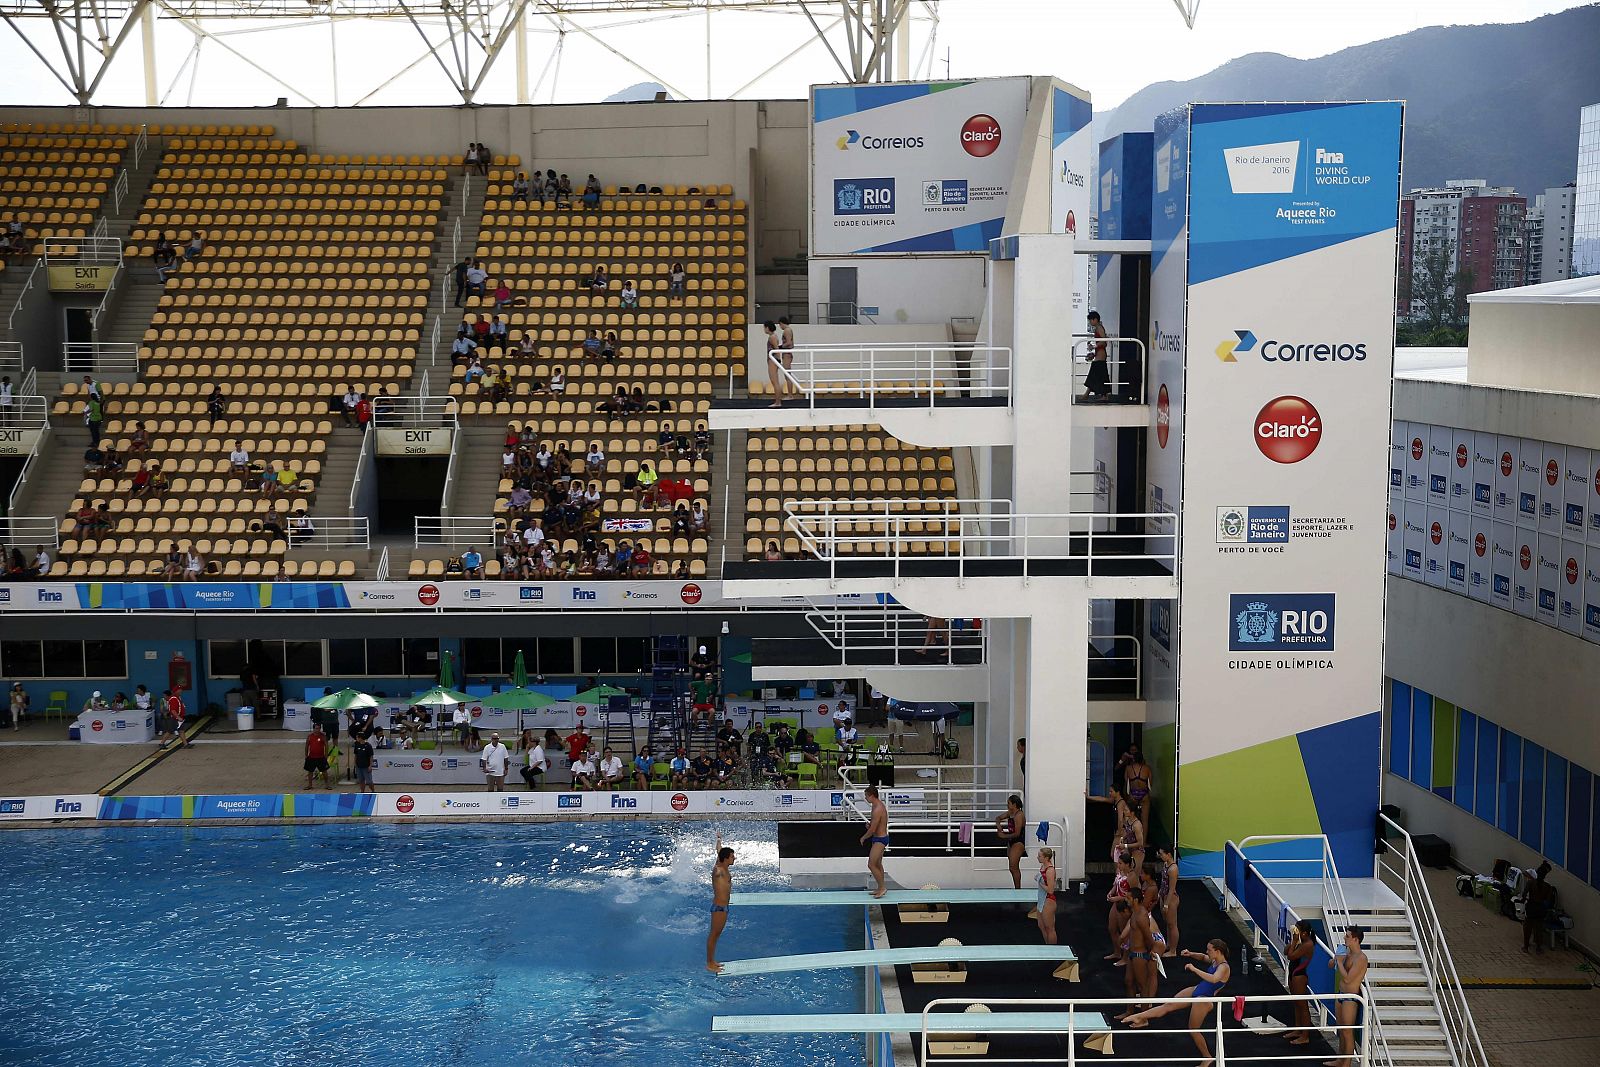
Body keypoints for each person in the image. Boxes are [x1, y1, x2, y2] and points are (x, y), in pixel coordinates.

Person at [1123, 938, 1232, 1065]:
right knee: (1168, 1005)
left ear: (1218, 951)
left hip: (1204, 999)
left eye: (1209, 950)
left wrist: (1194, 969)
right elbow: (1203, 957)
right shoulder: (1214, 960)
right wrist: (1191, 954)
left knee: (1193, 1029)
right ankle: (1139, 1017)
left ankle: (1207, 1057)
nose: (1206, 952)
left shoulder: (1224, 967)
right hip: (1198, 990)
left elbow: (1214, 979)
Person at [1327, 927, 1369, 1067]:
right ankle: (1341, 1059)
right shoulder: (1346, 953)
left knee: (1347, 1031)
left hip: (1350, 998)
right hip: (1340, 994)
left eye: (1347, 936)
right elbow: (1330, 965)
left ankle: (1347, 1063)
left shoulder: (1361, 958)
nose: (1344, 938)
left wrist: (1339, 962)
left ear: (1355, 940)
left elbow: (1348, 979)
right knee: (1341, 1029)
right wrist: (1335, 960)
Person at [1283, 918, 1315, 1046]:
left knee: (1303, 1005)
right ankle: (1298, 1029)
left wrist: (1295, 941)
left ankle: (1305, 1035)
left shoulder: (1308, 944)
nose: (1295, 932)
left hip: (1300, 976)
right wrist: (1294, 941)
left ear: (1304, 933)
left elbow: (1291, 956)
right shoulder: (1301, 941)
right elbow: (1286, 950)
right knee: (1296, 1003)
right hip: (1293, 973)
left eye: (1297, 930)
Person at [707, 831, 735, 973]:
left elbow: (719, 851)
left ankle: (712, 961)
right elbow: (716, 869)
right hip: (719, 908)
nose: (734, 858)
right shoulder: (718, 870)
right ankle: (710, 963)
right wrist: (714, 872)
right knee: (714, 935)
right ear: (725, 859)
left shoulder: (724, 866)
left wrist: (719, 839)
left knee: (716, 935)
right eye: (731, 856)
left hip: (723, 908)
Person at [859, 785, 890, 898]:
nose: (865, 798)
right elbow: (874, 826)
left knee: (871, 864)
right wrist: (870, 825)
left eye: (866, 796)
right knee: (877, 864)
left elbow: (872, 830)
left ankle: (882, 888)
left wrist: (863, 837)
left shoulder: (878, 809)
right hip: (878, 837)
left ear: (872, 795)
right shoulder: (875, 806)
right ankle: (880, 887)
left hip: (880, 840)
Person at [1521, 861, 1555, 952]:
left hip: (1531, 906)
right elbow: (1547, 900)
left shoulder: (1530, 883)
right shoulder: (1548, 887)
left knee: (1527, 927)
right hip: (1540, 908)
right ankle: (1538, 947)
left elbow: (1524, 895)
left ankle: (1526, 946)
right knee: (1539, 928)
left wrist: (1523, 901)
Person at [1119, 743, 1154, 830]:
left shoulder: (1128, 768)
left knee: (1129, 819)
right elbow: (1150, 784)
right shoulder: (1147, 768)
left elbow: (1126, 783)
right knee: (1145, 821)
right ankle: (1143, 843)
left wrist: (1127, 796)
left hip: (1132, 794)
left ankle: (1132, 841)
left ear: (1133, 758)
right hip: (1144, 794)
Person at [996, 794, 1027, 890]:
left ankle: (1018, 890)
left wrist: (1003, 836)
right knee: (1011, 867)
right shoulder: (1011, 813)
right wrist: (999, 826)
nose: (1007, 805)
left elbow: (1017, 833)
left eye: (1008, 803)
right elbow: (998, 818)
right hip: (1011, 841)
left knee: (1014, 867)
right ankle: (1017, 888)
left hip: (1018, 842)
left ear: (1014, 804)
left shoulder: (1019, 815)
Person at [1081, 309, 1111, 402]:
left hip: (1100, 354)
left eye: (1091, 320)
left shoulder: (1099, 328)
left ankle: (1088, 394)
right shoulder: (1098, 328)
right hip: (1099, 353)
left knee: (1095, 374)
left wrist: (1094, 346)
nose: (1090, 322)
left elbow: (1104, 340)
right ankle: (1099, 394)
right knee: (1098, 375)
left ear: (1095, 319)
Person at [1156, 844, 1180, 956]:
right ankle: (1169, 944)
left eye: (1162, 854)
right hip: (1163, 895)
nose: (1160, 856)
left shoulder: (1173, 869)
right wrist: (1159, 894)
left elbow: (1171, 889)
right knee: (1167, 923)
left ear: (1168, 854)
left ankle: (1173, 950)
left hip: (1170, 898)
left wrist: (1166, 904)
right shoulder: (1166, 864)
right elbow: (1163, 882)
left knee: (1172, 924)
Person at [1035, 846, 1059, 946]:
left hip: (1048, 901)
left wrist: (1039, 882)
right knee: (1041, 925)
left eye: (1039, 856)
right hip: (1041, 899)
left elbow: (1050, 890)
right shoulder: (1043, 866)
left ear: (1046, 858)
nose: (1037, 857)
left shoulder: (1050, 870)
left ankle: (1053, 950)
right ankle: (1047, 945)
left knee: (1050, 928)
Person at [763, 320, 784, 407]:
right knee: (775, 382)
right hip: (772, 360)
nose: (764, 329)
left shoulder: (773, 337)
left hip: (773, 360)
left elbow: (776, 349)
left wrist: (778, 360)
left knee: (775, 382)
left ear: (767, 328)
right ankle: (777, 401)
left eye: (764, 327)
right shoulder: (772, 336)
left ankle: (778, 402)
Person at [304, 724, 332, 789]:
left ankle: (327, 785)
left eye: (319, 728)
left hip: (321, 757)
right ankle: (310, 785)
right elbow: (306, 746)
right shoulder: (309, 736)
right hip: (311, 757)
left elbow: (326, 746)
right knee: (310, 771)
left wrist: (326, 755)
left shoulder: (323, 736)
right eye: (316, 728)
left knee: (324, 771)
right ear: (313, 729)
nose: (318, 730)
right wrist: (306, 755)